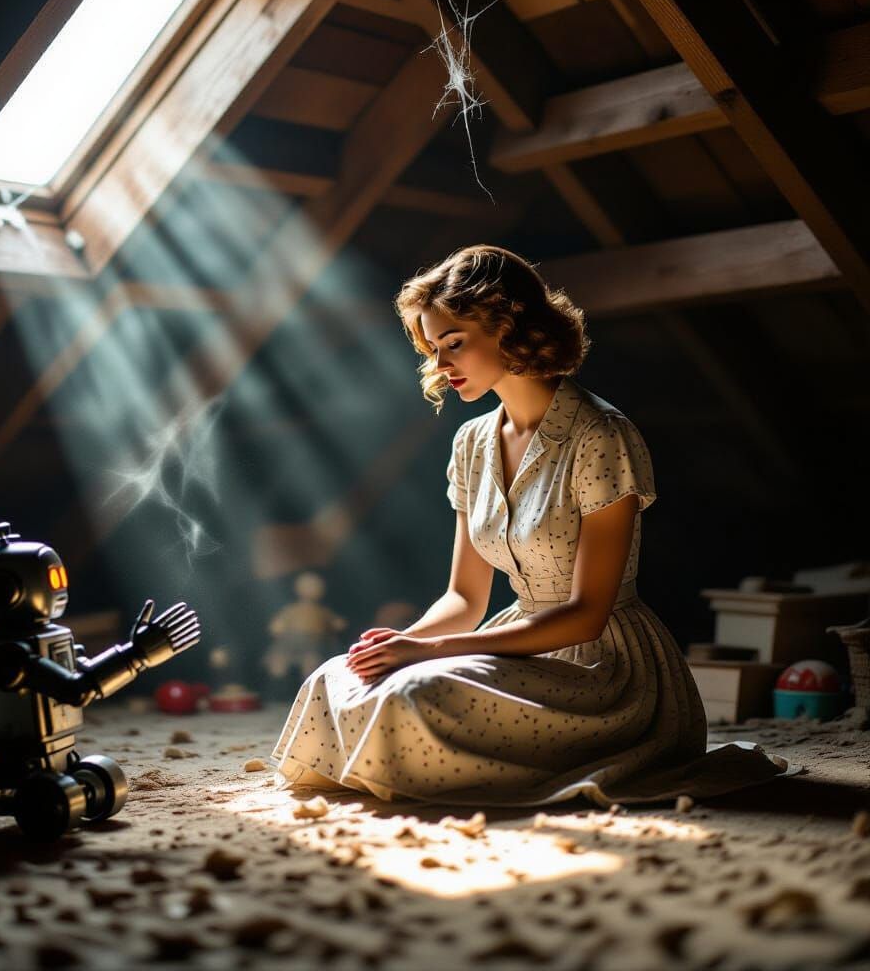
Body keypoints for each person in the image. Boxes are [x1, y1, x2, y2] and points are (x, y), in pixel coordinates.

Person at [271, 246, 786, 806]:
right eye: (433, 347)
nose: (441, 365)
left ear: (508, 328)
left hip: (605, 668)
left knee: (412, 693)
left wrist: (429, 654)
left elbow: (588, 616)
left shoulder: (600, 434)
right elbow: (464, 598)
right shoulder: (470, 442)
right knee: (335, 678)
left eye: (455, 343)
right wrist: (404, 641)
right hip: (514, 640)